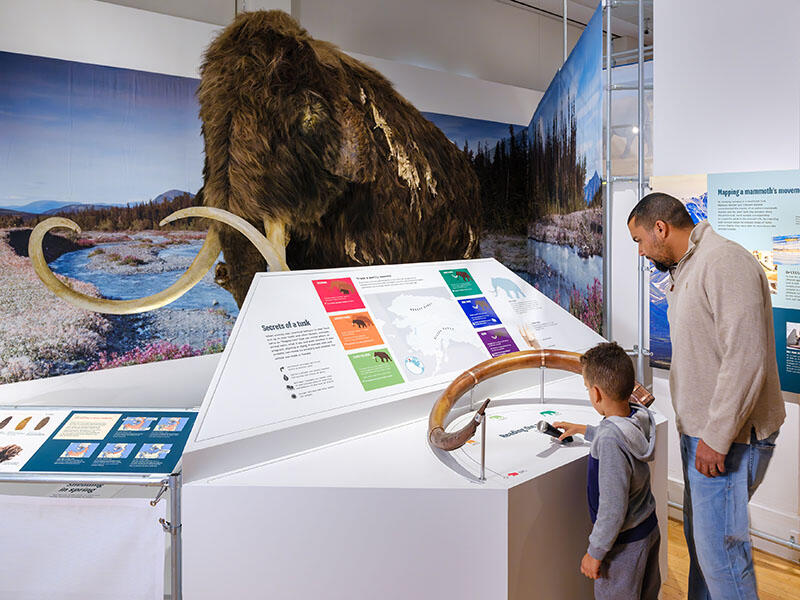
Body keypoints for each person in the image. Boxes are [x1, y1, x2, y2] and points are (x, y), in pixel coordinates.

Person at [627, 193, 786, 599]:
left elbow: (746, 357)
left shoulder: (724, 262)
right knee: (704, 546)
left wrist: (716, 436)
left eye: (640, 240)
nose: (642, 252)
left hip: (726, 439)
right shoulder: (691, 265)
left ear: (660, 228)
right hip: (704, 433)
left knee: (722, 557)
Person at [554, 342, 660, 600]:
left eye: (587, 388)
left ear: (596, 393)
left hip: (623, 546)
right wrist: (586, 430)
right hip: (647, 529)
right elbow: (621, 432)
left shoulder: (610, 441)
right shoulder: (638, 417)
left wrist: (596, 552)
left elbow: (612, 506)